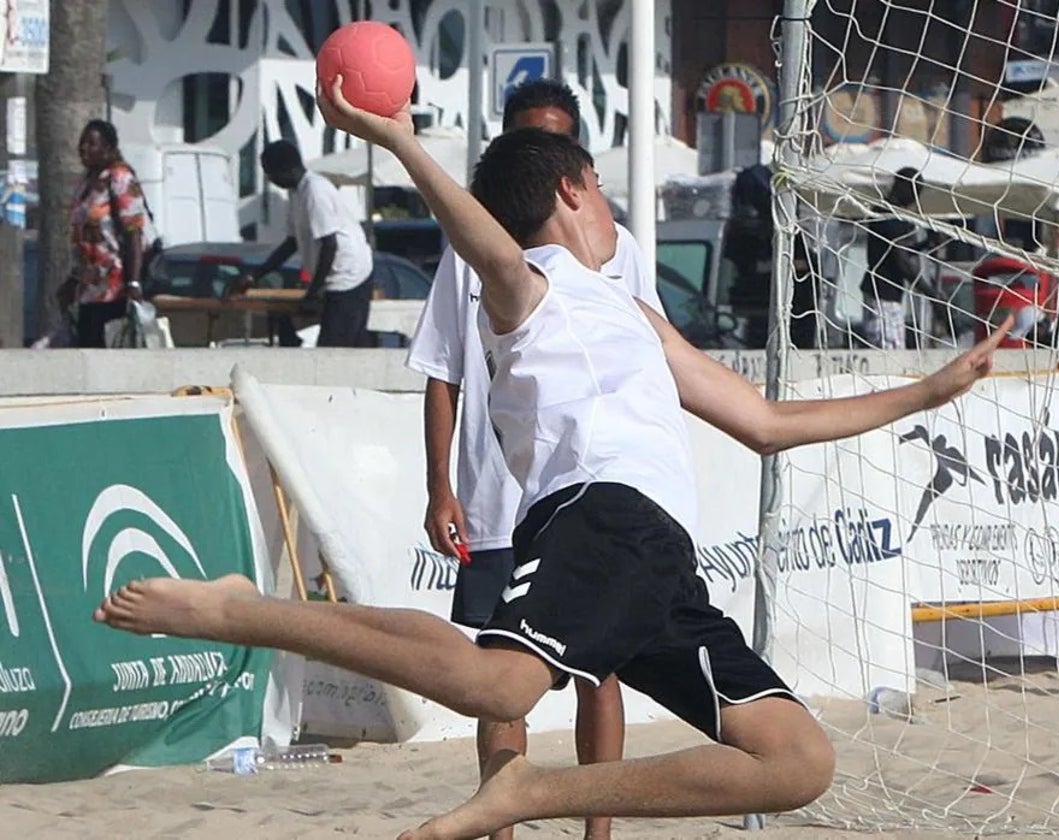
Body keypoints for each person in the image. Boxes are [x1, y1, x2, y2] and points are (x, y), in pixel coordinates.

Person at [95, 80, 1010, 840]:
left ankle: (533, 792)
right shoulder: (529, 288)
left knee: (796, 760)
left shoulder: (635, 314)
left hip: (662, 560)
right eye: (605, 191)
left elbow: (764, 422)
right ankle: (244, 611)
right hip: (596, 512)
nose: (614, 209)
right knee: (498, 682)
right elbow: (483, 240)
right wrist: (403, 145)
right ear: (573, 188)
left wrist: (926, 392)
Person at [405, 79, 653, 840]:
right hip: (495, 500)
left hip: (590, 496)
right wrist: (439, 486)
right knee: (500, 687)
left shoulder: (617, 250)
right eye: (529, 142)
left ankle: (598, 831)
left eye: (559, 145)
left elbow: (656, 364)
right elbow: (443, 369)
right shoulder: (472, 251)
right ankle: (500, 826)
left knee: (599, 672)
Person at [243, 140, 374, 347]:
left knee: (332, 350)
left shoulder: (315, 191)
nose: (270, 179)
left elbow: (330, 245)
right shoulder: (296, 194)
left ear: (286, 169)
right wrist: (255, 275)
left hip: (348, 276)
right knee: (344, 345)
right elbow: (291, 243)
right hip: (334, 279)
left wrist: (313, 292)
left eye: (271, 173)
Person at [69, 120, 157, 348]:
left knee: (109, 349)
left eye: (92, 143)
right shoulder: (86, 183)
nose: (84, 149)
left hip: (115, 285)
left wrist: (134, 282)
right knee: (86, 347)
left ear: (108, 148)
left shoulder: (119, 178)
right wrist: (73, 279)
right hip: (89, 286)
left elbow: (133, 231)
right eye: (82, 143)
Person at [860, 167, 925, 350]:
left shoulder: (897, 215)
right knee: (888, 350)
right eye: (916, 190)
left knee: (895, 348)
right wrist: (933, 295)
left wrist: (925, 244)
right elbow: (901, 260)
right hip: (881, 293)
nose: (916, 197)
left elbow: (896, 252)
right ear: (903, 186)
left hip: (891, 293)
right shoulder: (886, 212)